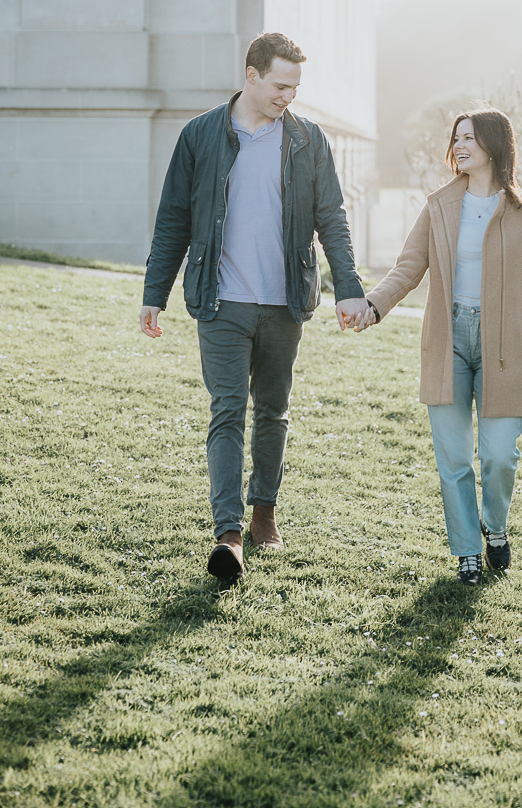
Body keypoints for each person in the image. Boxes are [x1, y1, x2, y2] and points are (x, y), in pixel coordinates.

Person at [140, 32, 370, 586]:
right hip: (221, 302)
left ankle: (264, 509)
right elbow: (174, 217)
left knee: (272, 411)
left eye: (295, 87)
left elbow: (331, 217)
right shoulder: (200, 135)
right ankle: (228, 533)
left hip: (284, 303)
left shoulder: (307, 140)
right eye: (280, 85)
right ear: (251, 74)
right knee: (226, 409)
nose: (288, 96)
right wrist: (155, 292)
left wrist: (349, 287)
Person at [356, 108, 522, 585]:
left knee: (500, 456)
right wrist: (374, 306)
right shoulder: (438, 205)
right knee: (454, 458)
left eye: (470, 139)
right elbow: (407, 267)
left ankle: (494, 527)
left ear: (495, 146)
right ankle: (466, 551)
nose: (459, 146)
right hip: (447, 339)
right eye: (456, 138)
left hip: (507, 346)